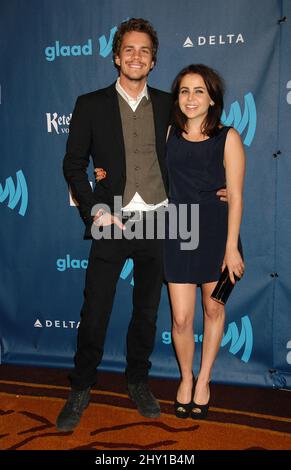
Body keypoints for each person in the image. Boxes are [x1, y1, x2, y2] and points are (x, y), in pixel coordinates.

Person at [57, 18, 227, 431]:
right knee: (95, 309)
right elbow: (74, 165)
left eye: (144, 51)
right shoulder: (90, 104)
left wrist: (218, 188)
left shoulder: (172, 104)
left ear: (153, 61)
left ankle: (138, 380)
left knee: (147, 312)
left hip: (162, 221)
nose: (136, 57)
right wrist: (96, 209)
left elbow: (200, 149)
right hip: (110, 220)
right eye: (128, 50)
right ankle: (81, 387)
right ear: (117, 57)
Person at [164, 64, 245, 419]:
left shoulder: (228, 137)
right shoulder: (167, 134)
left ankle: (204, 380)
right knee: (181, 318)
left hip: (216, 232)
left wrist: (231, 248)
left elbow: (238, 196)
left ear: (212, 98)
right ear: (177, 97)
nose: (191, 98)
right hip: (179, 228)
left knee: (213, 308)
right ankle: (185, 377)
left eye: (199, 91)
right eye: (184, 91)